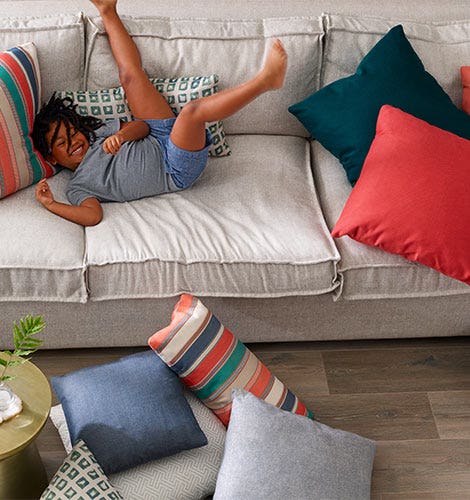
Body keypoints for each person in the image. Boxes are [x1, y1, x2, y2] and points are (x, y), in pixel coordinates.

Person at [33, 0, 287, 226]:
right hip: (173, 167)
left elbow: (141, 127)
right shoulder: (79, 186)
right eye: (62, 143)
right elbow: (92, 216)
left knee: (130, 77)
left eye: (73, 133)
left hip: (157, 134)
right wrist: (51, 204)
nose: (74, 142)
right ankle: (265, 82)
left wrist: (121, 137)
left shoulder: (97, 134)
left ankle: (107, 10)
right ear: (52, 158)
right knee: (191, 112)